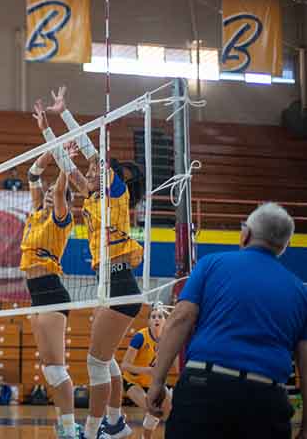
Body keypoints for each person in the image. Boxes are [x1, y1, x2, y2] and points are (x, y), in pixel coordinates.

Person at [146, 202, 307, 439]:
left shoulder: (211, 264)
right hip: (266, 401)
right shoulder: (300, 292)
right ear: (285, 246)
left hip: (204, 389)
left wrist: (157, 382)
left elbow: (180, 318)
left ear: (246, 234)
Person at [45, 87, 143, 439]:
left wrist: (66, 113)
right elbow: (66, 162)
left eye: (96, 170)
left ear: (109, 174)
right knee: (107, 359)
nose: (88, 172)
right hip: (108, 281)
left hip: (121, 280)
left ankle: (91, 431)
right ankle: (115, 422)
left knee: (95, 362)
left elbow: (90, 152)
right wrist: (48, 128)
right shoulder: (90, 199)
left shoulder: (116, 193)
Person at [20, 115, 78, 439]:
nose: (44, 197)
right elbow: (32, 174)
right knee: (49, 371)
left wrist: (64, 161)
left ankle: (70, 429)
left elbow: (57, 191)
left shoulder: (61, 218)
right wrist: (52, 148)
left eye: (51, 197)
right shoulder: (37, 215)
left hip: (53, 294)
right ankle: (64, 425)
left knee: (58, 369)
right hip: (35, 297)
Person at [121, 304, 173, 439]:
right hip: (132, 381)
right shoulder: (140, 337)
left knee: (167, 410)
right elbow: (125, 365)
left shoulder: (167, 338)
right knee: (152, 408)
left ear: (164, 321)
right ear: (149, 321)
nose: (156, 319)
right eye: (153, 316)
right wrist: (147, 370)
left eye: (160, 317)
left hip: (152, 382)